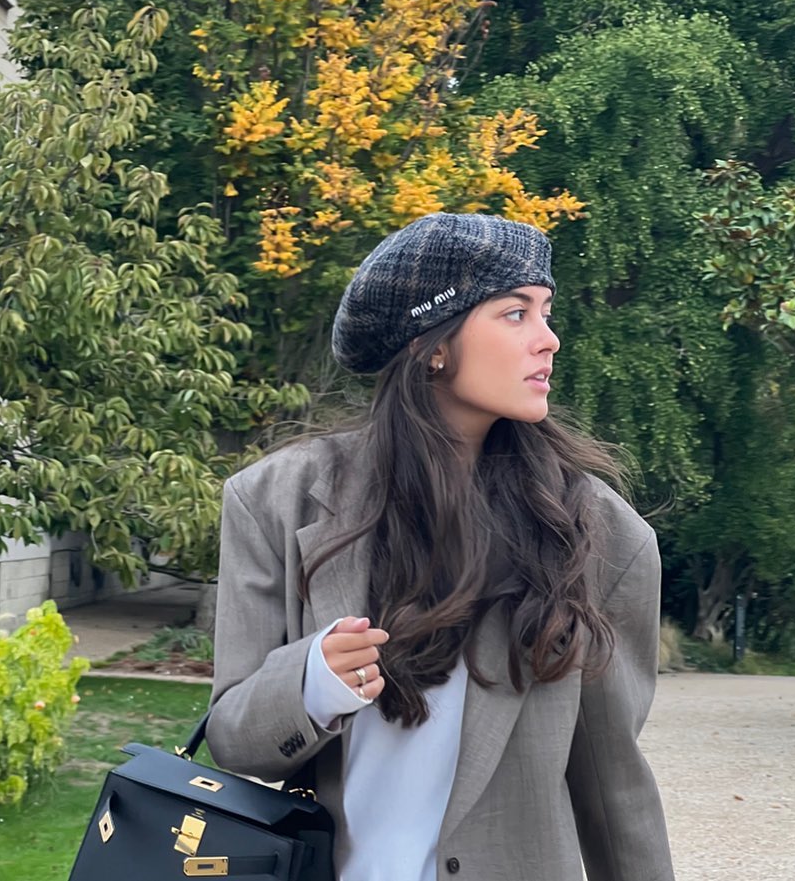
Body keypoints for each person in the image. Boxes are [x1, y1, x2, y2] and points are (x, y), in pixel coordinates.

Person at [205, 212, 675, 881]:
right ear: (433, 345)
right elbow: (232, 738)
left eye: (546, 313)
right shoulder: (273, 500)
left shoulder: (599, 534)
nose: (549, 339)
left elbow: (613, 784)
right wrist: (312, 681)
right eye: (515, 313)